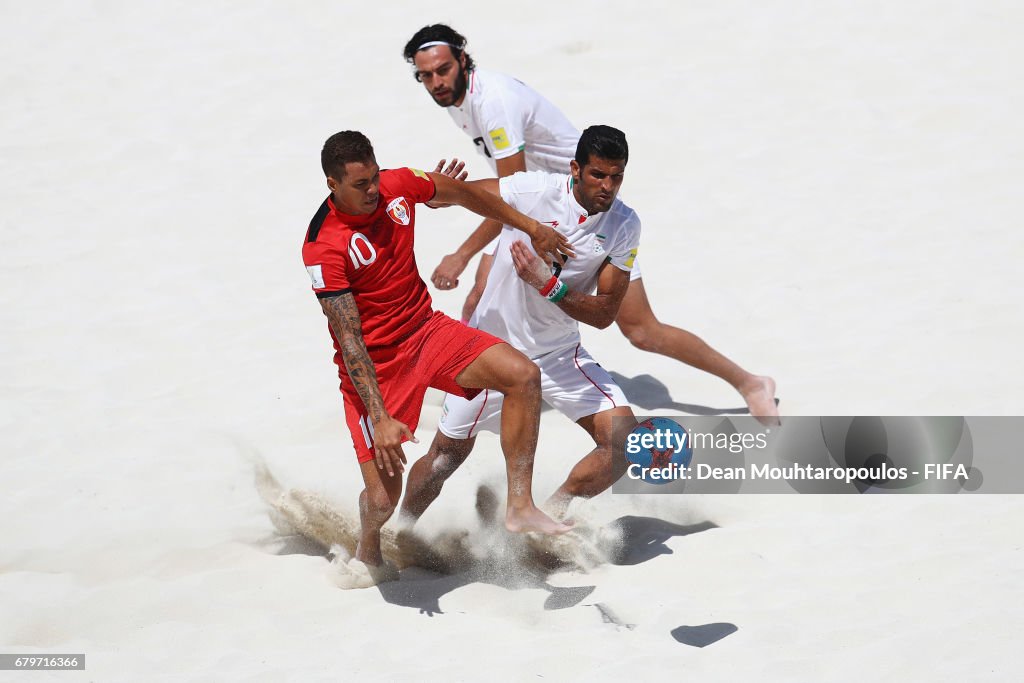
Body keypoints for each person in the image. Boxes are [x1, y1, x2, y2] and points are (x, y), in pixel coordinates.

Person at [402, 24, 780, 424]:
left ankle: (751, 383)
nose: (436, 82)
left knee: (641, 331)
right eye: (425, 75)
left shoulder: (493, 103)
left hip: (586, 212)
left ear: (462, 60)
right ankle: (464, 388)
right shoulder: (462, 100)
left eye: (443, 70)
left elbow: (507, 203)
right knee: (481, 297)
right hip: (549, 210)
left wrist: (461, 255)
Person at [302, 131, 574, 574]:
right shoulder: (324, 246)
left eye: (374, 177)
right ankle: (368, 549)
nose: (373, 190)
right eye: (360, 185)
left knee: (522, 376)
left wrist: (532, 227)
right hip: (377, 367)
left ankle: (520, 504)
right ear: (332, 184)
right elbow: (350, 340)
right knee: (380, 500)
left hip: (427, 330)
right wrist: (380, 416)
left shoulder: (398, 185)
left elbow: (467, 194)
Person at [400, 125, 641, 524]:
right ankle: (402, 529)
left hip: (559, 352)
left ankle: (551, 513)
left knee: (625, 440)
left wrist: (549, 286)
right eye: (598, 174)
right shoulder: (535, 191)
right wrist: (438, 196)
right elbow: (465, 193)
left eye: (616, 176)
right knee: (445, 457)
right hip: (490, 351)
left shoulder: (624, 224)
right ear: (575, 169)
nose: (607, 186)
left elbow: (604, 315)